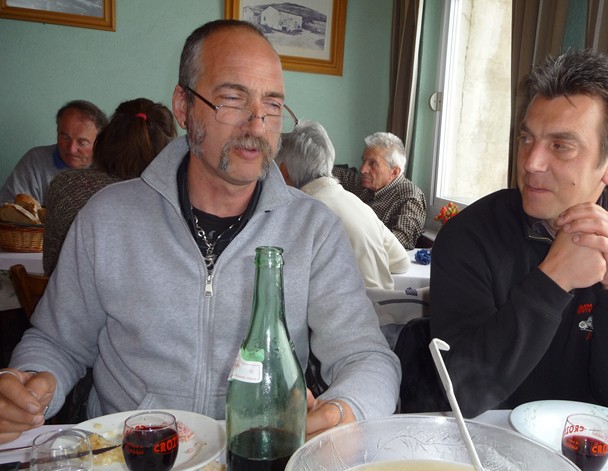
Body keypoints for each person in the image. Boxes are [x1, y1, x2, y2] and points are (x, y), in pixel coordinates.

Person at [0, 19, 400, 444]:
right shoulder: (108, 217)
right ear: (183, 106)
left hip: (258, 457)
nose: (257, 124)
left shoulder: (313, 230)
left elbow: (367, 357)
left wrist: (345, 409)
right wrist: (29, 385)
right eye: (233, 99)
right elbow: (56, 342)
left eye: (272, 105)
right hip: (132, 461)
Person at [429, 48, 608, 418]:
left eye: (561, 146)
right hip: (484, 444)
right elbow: (461, 390)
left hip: (586, 444)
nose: (531, 162)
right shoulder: (468, 236)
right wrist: (553, 279)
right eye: (527, 139)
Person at [43, 98, 177, 275]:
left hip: (72, 290)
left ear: (105, 139)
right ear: (168, 149)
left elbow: (52, 267)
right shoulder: (173, 198)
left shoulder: (66, 186)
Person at [276, 120, 409, 290]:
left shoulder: (300, 214)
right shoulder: (357, 204)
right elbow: (402, 262)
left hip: (345, 305)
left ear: (283, 171)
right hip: (383, 304)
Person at [0, 100, 108, 205]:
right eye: (65, 138)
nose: (71, 149)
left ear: (99, 142)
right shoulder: (35, 160)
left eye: (82, 142)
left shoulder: (109, 167)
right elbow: (8, 208)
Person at [332, 132, 426, 250]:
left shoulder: (410, 197)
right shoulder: (364, 184)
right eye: (364, 161)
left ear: (394, 172)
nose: (362, 169)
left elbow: (399, 243)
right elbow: (326, 170)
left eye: (372, 163)